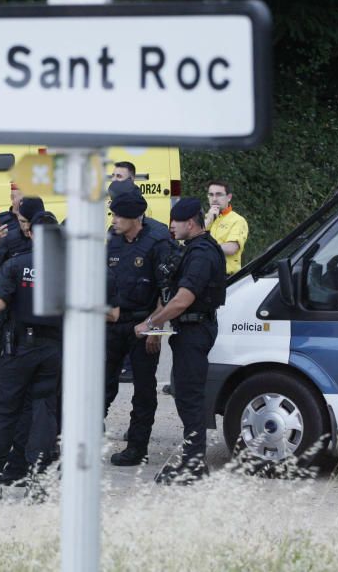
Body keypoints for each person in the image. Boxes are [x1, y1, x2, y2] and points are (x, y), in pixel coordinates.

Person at [0, 201, 62, 502]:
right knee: (44, 412)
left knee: (5, 412)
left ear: (32, 234)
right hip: (54, 348)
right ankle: (39, 482)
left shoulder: (17, 263)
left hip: (20, 346)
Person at [135, 198, 226, 484]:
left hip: (195, 331)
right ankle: (192, 461)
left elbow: (182, 300)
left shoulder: (201, 254)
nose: (171, 226)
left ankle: (194, 465)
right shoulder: (196, 248)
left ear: (191, 223)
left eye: (176, 221)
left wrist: (150, 324)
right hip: (191, 330)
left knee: (190, 399)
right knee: (187, 396)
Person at [105, 191, 174, 467]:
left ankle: (137, 446)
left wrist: (154, 328)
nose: (114, 220)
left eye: (118, 215)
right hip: (111, 325)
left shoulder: (157, 243)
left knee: (144, 389)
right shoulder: (111, 241)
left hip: (143, 325)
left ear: (135, 218)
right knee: (100, 385)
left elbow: (165, 291)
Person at [205, 181, 248, 276]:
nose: (214, 199)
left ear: (229, 197)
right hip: (204, 275)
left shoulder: (238, 220)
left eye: (219, 194)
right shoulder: (206, 218)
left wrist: (203, 246)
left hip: (226, 277)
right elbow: (188, 242)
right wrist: (208, 220)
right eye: (211, 195)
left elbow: (231, 248)